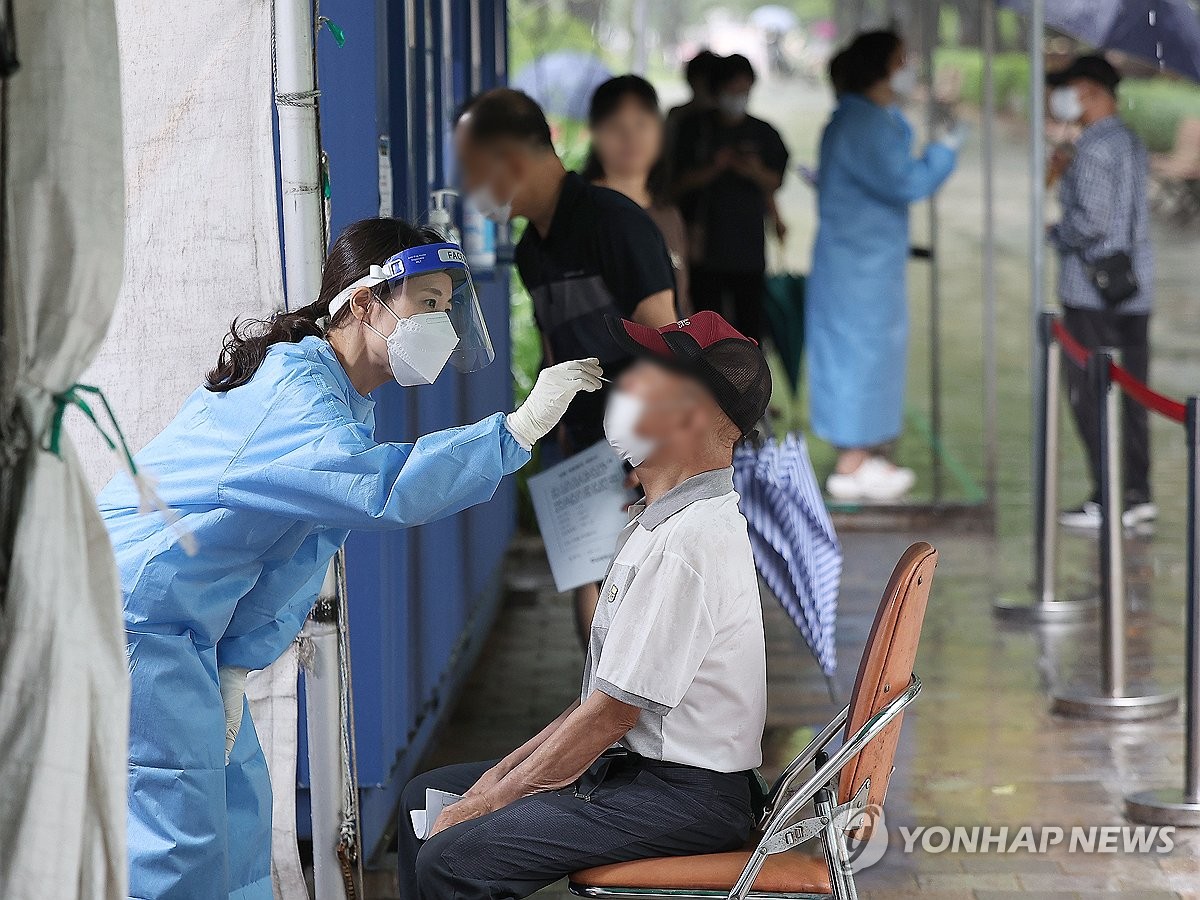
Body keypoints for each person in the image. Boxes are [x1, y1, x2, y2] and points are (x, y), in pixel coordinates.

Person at [101, 217, 604, 900]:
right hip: (138, 612)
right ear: (365, 302)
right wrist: (514, 431)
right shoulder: (296, 394)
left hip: (183, 627)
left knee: (240, 811)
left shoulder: (336, 397)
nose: (445, 324)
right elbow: (382, 488)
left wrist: (237, 663)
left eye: (448, 307)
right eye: (428, 303)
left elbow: (289, 557)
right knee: (180, 830)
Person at [398, 310, 771, 900]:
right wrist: (495, 782)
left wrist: (496, 799)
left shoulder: (688, 542)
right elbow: (597, 705)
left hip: (683, 797)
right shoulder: (662, 523)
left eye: (650, 375)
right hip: (642, 777)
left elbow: (610, 716)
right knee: (430, 797)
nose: (625, 388)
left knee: (456, 857)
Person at [454, 87, 678, 642]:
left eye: (475, 172)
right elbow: (557, 347)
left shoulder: (614, 223)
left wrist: (660, 451)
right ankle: (607, 724)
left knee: (647, 611)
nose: (472, 191)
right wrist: (563, 444)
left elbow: (669, 341)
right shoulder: (532, 251)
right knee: (593, 599)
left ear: (509, 163)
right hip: (582, 451)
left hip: (645, 448)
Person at [805, 30, 962, 502]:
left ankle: (863, 455)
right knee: (862, 357)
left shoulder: (862, 118)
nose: (906, 69)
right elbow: (905, 181)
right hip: (861, 269)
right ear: (883, 69)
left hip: (858, 262)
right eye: (900, 61)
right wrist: (946, 149)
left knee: (861, 356)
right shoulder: (866, 125)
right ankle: (853, 464)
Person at [1046, 55, 1156, 529]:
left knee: (1089, 393)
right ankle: (1136, 493)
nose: (1063, 100)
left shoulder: (1092, 148)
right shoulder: (1130, 142)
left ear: (1090, 91)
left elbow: (1091, 221)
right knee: (1133, 394)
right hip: (1135, 288)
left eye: (1069, 90)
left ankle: (1108, 496)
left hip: (1092, 292)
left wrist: (1056, 232)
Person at [671, 53, 788, 344]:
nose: (739, 98)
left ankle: (750, 385)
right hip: (704, 249)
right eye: (733, 91)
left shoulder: (763, 133)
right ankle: (709, 387)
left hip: (748, 248)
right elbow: (674, 184)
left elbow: (774, 181)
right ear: (717, 90)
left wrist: (753, 171)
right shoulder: (693, 129)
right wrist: (714, 167)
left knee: (750, 329)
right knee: (705, 332)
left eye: (744, 91)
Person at [583, 74, 691, 313]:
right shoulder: (581, 211)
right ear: (595, 133)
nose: (630, 137)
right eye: (615, 125)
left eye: (641, 123)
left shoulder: (668, 215)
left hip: (667, 350)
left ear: (658, 130)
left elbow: (682, 306)